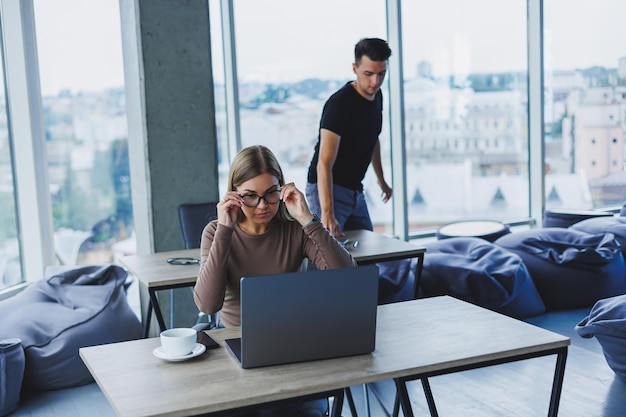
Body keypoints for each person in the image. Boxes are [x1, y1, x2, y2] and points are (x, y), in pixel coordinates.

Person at [194, 144, 355, 328]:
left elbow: (348, 281)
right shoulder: (215, 232)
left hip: (291, 330)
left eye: (271, 193)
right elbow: (208, 305)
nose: (262, 205)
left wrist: (308, 220)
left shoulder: (296, 229)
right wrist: (224, 231)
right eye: (250, 196)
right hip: (236, 334)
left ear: (282, 188)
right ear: (234, 193)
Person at [306, 37, 393, 237]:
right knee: (329, 256)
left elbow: (373, 139)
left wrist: (382, 180)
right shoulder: (340, 104)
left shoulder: (377, 97)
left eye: (381, 74)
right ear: (355, 68)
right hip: (327, 189)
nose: (375, 82)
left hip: (354, 191)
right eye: (368, 74)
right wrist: (327, 212)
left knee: (368, 252)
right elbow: (324, 163)